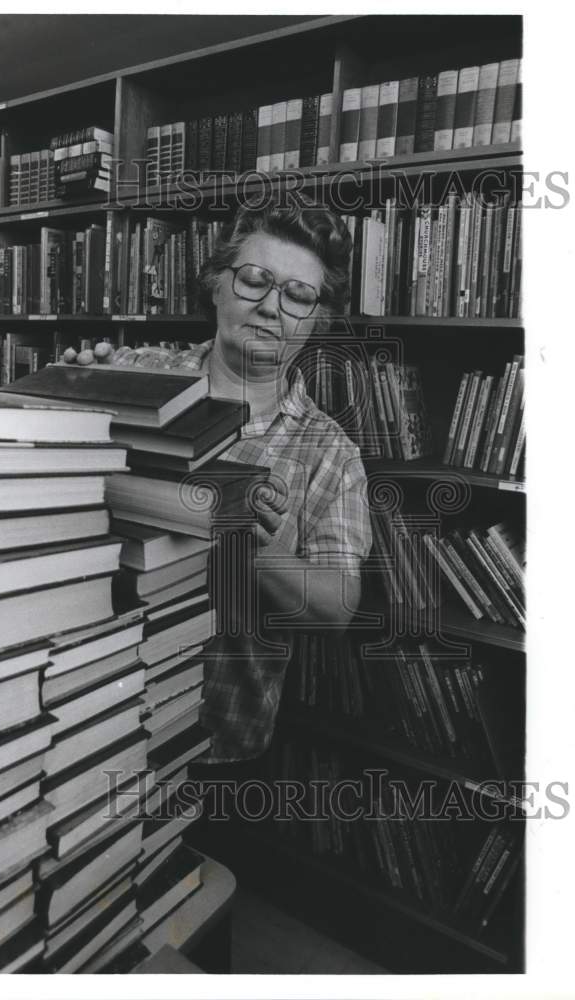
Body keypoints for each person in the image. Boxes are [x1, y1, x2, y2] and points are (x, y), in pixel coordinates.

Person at [190, 204, 373, 769]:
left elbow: (335, 610)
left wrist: (266, 555)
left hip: (213, 738)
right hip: (82, 704)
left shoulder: (332, 453)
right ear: (218, 285)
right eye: (254, 280)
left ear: (315, 320)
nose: (271, 306)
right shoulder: (136, 384)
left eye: (297, 295)